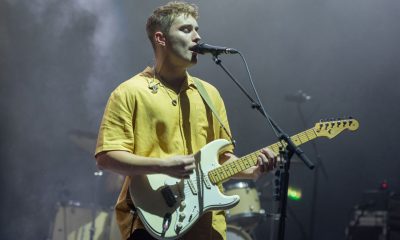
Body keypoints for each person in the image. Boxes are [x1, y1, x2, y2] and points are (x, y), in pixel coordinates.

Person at [95, 1, 277, 239]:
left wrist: (250, 170)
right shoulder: (129, 92)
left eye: (197, 29)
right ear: (161, 39)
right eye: (186, 29)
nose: (197, 37)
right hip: (152, 222)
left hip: (207, 228)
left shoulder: (209, 95)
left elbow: (220, 159)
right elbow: (106, 157)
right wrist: (164, 165)